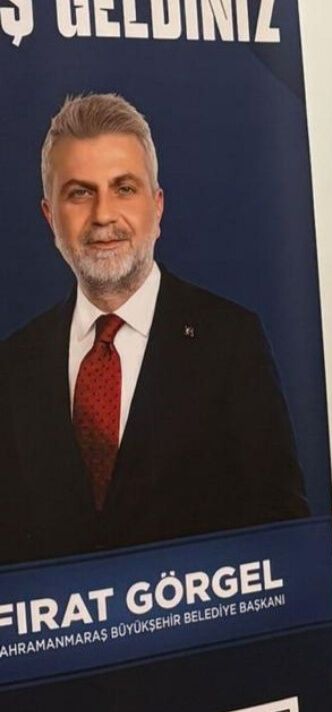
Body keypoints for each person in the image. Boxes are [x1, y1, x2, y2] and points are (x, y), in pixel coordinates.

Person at [0, 93, 309, 566]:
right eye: (80, 193)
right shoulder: (14, 363)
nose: (103, 215)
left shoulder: (231, 340)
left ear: (157, 206)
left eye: (124, 188)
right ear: (49, 216)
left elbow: (280, 523)